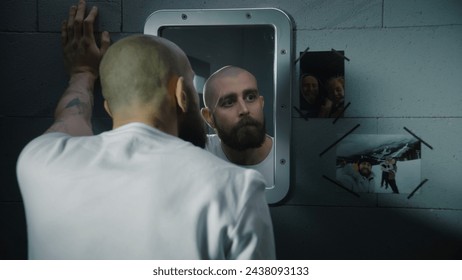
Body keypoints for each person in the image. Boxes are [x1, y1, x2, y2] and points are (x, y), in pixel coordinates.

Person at [16, 0, 275, 260]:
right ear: (182, 95)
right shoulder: (237, 190)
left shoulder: (40, 160)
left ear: (109, 108)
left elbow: (71, 117)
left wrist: (82, 73)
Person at [201, 66, 274, 187]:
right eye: (229, 102)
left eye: (250, 97)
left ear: (261, 103)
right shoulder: (198, 151)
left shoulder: (289, 158)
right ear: (209, 117)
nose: (244, 110)